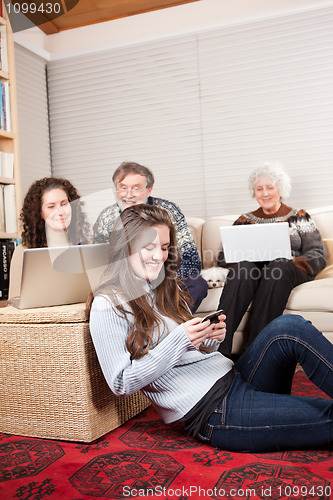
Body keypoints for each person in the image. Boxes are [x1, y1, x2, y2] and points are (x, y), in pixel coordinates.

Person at [88, 204, 333, 453]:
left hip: (234, 377)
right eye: (148, 247)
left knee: (289, 326)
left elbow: (188, 354)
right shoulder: (107, 304)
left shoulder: (161, 287)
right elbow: (120, 383)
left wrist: (210, 340)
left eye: (163, 248)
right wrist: (181, 339)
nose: (159, 256)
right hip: (214, 410)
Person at [217, 161, 327, 357]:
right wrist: (249, 258)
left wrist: (289, 261)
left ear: (280, 189)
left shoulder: (299, 216)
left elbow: (317, 255)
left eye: (270, 187)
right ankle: (218, 350)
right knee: (245, 267)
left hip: (288, 272)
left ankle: (255, 353)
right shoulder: (244, 220)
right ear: (254, 192)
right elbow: (224, 257)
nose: (265, 193)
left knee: (278, 266)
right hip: (253, 272)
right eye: (259, 189)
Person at [93, 161, 207, 312]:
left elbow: (190, 260)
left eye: (136, 189)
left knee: (197, 284)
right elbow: (98, 263)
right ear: (116, 190)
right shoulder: (106, 218)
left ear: (149, 190)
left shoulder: (169, 211)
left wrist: (162, 278)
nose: (128, 195)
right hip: (125, 280)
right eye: (123, 188)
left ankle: (173, 327)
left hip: (165, 275)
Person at [9, 177, 91, 299]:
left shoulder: (88, 246)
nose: (60, 212)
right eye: (51, 206)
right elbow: (14, 302)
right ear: (39, 212)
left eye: (64, 204)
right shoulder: (23, 252)